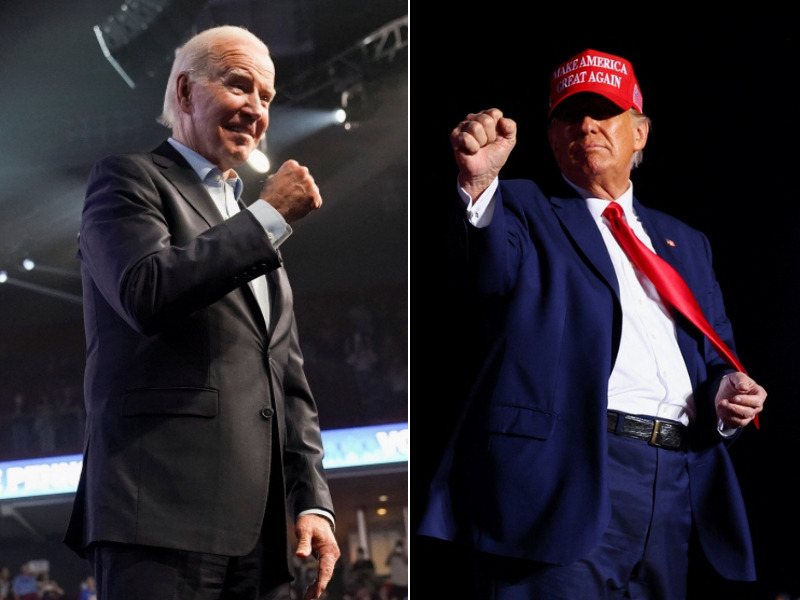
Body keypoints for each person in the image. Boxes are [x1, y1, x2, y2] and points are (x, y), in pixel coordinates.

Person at [416, 48, 767, 599]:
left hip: (675, 480)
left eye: (604, 112)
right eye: (568, 116)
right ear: (552, 138)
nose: (585, 126)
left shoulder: (687, 244)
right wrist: (478, 184)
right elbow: (485, 277)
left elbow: (718, 355)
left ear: (640, 132)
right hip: (566, 475)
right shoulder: (524, 208)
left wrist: (728, 392)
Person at [63, 24, 340, 600]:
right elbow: (147, 292)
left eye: (266, 97)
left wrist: (311, 498)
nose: (256, 109)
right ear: (186, 93)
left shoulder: (251, 222)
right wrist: (268, 218)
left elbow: (286, 378)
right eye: (240, 87)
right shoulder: (128, 181)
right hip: (159, 517)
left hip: (265, 540)